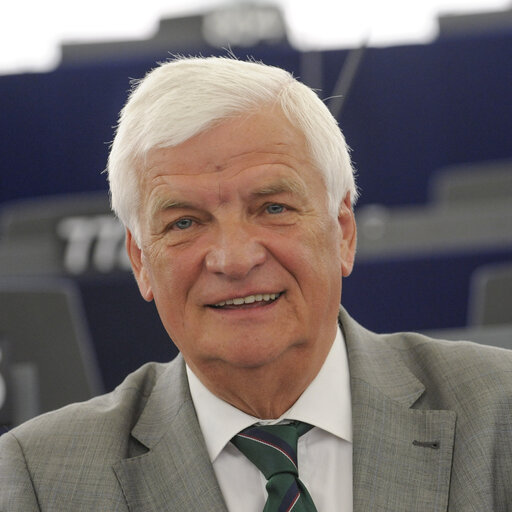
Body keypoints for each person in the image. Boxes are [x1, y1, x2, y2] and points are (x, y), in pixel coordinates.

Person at [0, 56, 511, 512]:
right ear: (141, 262)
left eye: (273, 208)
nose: (234, 259)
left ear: (344, 233)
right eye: (184, 222)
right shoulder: (41, 481)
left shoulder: (499, 416)